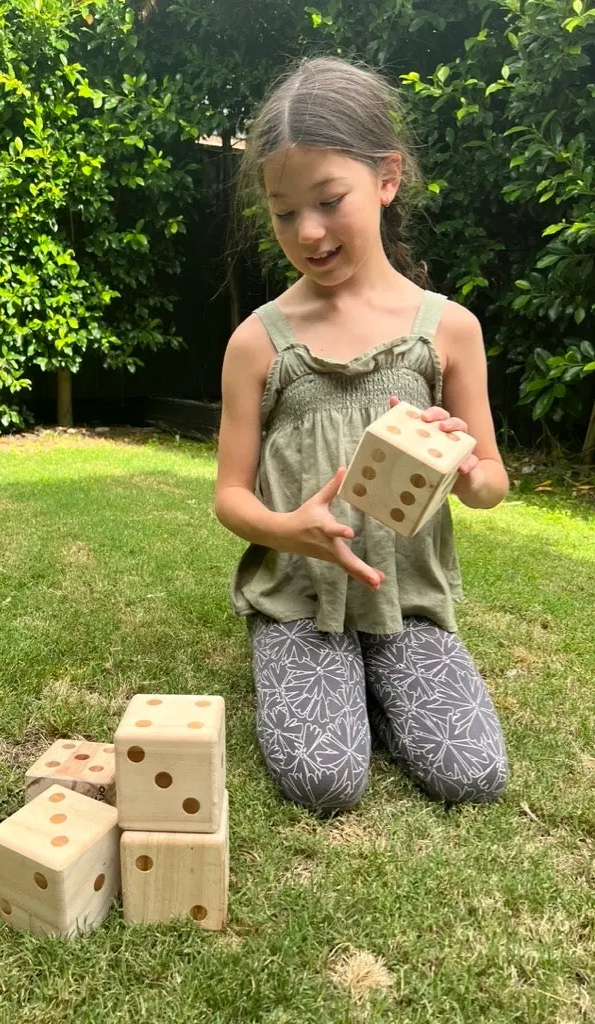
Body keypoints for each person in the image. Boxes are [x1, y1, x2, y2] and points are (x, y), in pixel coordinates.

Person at [214, 56, 509, 812]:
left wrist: (467, 461)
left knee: (471, 776)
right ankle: (323, 675)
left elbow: (488, 489)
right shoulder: (257, 342)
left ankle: (381, 676)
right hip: (299, 600)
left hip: (406, 604)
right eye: (284, 212)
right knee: (324, 783)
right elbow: (229, 499)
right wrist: (288, 529)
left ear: (386, 178)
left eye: (327, 200)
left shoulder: (447, 330)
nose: (306, 231)